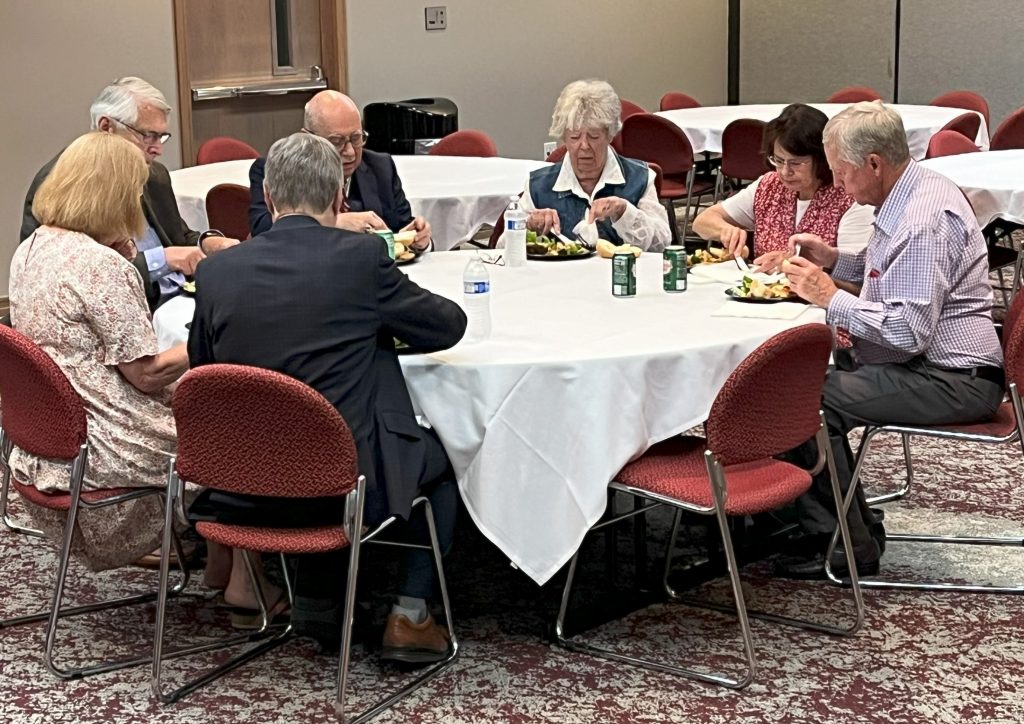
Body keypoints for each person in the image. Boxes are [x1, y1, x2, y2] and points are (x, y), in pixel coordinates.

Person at [189, 132, 467, 659]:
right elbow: (447, 326)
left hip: (238, 475)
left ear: (268, 199)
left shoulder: (217, 271)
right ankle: (410, 615)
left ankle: (317, 601)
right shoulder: (362, 258)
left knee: (315, 438)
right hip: (341, 481)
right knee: (445, 459)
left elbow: (206, 369)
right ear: (341, 197)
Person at [10, 131, 282, 621]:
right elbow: (149, 375)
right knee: (244, 427)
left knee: (215, 404)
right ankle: (246, 578)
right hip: (109, 439)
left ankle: (221, 560)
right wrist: (208, 337)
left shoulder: (33, 249)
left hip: (55, 432)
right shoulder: (100, 268)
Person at [769, 101, 1004, 579]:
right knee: (799, 383)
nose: (836, 184)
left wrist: (829, 296)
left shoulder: (921, 220)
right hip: (935, 365)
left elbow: (905, 332)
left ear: (874, 162)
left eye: (842, 172)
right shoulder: (912, 188)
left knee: (801, 401)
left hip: (952, 378)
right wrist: (835, 260)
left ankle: (844, 544)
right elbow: (889, 275)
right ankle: (846, 525)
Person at [21, 77, 240, 310]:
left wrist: (209, 243)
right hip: (130, 308)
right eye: (148, 136)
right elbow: (68, 278)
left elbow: (177, 235)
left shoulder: (154, 174)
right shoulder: (63, 185)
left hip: (186, 297)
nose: (158, 149)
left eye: (161, 137)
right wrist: (163, 260)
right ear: (106, 127)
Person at [248, 90, 432, 251]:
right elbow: (261, 230)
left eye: (356, 138)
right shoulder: (276, 169)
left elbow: (401, 227)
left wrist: (417, 239)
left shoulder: (380, 168)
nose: (350, 152)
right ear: (308, 137)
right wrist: (335, 223)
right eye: (336, 142)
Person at [693, 103, 874, 260]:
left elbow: (853, 271)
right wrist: (726, 231)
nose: (785, 171)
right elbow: (702, 221)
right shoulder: (770, 186)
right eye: (778, 160)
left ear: (822, 158)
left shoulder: (848, 196)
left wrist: (788, 264)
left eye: (796, 162)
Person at [521, 79, 671, 251]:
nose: (584, 146)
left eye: (594, 137)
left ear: (610, 135)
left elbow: (662, 244)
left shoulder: (639, 177)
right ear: (563, 138)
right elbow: (504, 248)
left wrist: (624, 212)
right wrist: (528, 227)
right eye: (575, 137)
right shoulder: (538, 185)